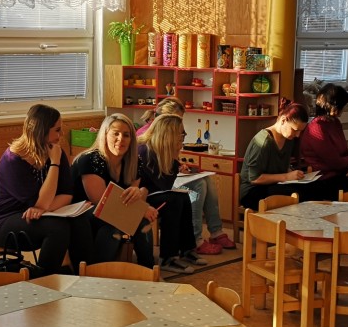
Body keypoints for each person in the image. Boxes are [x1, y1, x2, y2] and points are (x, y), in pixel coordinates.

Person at [0, 104, 94, 275]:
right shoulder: (13, 161)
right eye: (57, 130)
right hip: (4, 220)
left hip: (37, 215)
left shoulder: (54, 151)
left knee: (79, 220)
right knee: (57, 228)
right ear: (41, 131)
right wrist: (55, 164)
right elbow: (40, 202)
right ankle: (44, 279)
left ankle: (85, 274)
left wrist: (44, 210)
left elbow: (66, 195)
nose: (61, 134)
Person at [136, 97, 233, 255]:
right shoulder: (146, 141)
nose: (181, 131)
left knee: (206, 180)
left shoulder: (165, 139)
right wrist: (175, 162)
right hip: (151, 190)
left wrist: (178, 164)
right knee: (196, 187)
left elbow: (164, 168)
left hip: (160, 184)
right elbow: (160, 181)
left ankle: (215, 232)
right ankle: (196, 239)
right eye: (178, 122)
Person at [73, 113, 156, 267]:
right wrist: (141, 209)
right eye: (115, 134)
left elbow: (132, 198)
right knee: (113, 227)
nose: (120, 139)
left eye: (126, 135)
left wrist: (138, 196)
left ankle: (148, 270)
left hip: (113, 212)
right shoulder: (89, 160)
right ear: (105, 135)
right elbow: (101, 203)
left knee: (143, 222)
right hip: (83, 213)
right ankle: (99, 272)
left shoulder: (134, 161)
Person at [138, 114, 205, 274]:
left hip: (153, 193)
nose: (183, 137)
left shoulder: (162, 151)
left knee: (183, 197)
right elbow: (162, 185)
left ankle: (187, 249)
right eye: (180, 134)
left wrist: (174, 160)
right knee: (173, 201)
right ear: (168, 135)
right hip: (139, 198)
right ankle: (168, 257)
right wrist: (174, 159)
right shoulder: (145, 151)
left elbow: (165, 184)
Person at [240, 101, 324, 209]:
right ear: (283, 120)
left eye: (300, 131)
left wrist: (294, 174)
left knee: (316, 188)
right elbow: (254, 178)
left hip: (275, 185)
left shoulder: (288, 139)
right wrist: (286, 177)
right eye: (295, 130)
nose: (297, 135)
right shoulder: (263, 142)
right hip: (252, 191)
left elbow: (280, 166)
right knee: (296, 194)